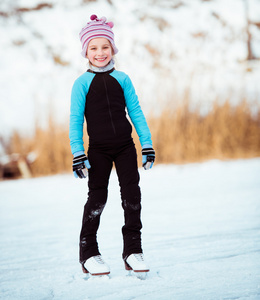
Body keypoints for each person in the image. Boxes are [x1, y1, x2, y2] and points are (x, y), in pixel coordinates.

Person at [69, 14, 155, 276]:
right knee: (97, 198)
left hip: (125, 147)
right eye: (93, 48)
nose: (100, 52)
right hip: (98, 151)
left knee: (132, 197)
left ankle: (133, 251)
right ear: (86, 52)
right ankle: (89, 253)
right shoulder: (81, 83)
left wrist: (147, 144)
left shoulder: (123, 79)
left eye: (105, 46)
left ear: (113, 49)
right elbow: (75, 120)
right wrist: (78, 153)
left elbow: (136, 112)